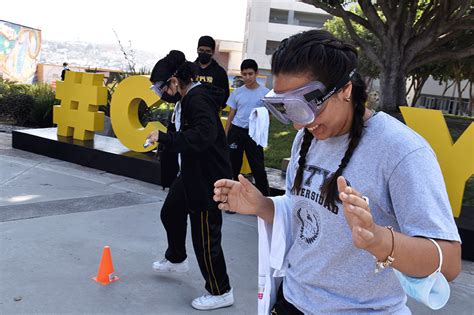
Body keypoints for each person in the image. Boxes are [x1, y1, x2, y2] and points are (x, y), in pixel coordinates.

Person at [213, 30, 461, 314]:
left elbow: (450, 262)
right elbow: (310, 221)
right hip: (293, 300)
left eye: (306, 105)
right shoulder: (308, 136)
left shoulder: (401, 151)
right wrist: (264, 206)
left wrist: (380, 241)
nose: (298, 123)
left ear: (346, 89)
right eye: (288, 108)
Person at [147, 50, 234, 311]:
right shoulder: (186, 100)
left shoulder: (197, 99)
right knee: (171, 212)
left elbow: (204, 135)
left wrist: (164, 139)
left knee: (205, 236)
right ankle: (176, 258)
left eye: (162, 87)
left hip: (209, 178)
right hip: (191, 173)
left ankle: (221, 291)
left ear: (174, 82)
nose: (161, 93)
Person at [225, 59, 270, 196]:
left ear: (256, 73)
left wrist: (262, 132)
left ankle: (265, 200)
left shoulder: (266, 93)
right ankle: (231, 198)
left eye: (250, 74)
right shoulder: (237, 93)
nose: (247, 77)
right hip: (237, 131)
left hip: (254, 133)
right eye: (244, 74)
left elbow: (269, 115)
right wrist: (225, 134)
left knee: (258, 167)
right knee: (233, 166)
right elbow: (231, 115)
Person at [194, 35, 230, 109]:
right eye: (201, 50)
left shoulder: (220, 72)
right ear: (197, 50)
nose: (204, 53)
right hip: (190, 112)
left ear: (213, 52)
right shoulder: (189, 69)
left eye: (208, 51)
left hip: (210, 114)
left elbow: (225, 96)